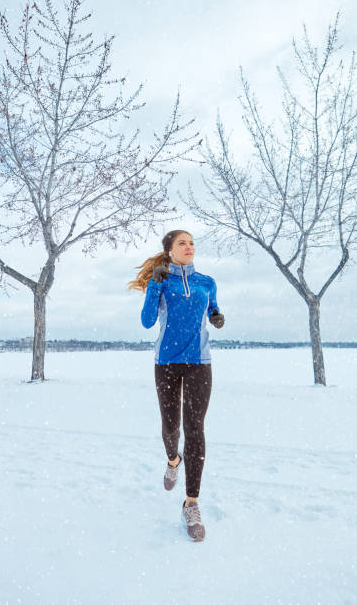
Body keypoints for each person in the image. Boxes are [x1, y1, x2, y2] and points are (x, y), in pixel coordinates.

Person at [129, 229, 225, 541]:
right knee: (171, 428)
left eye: (192, 243)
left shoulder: (205, 282)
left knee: (195, 428)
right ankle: (173, 460)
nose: (189, 247)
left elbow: (211, 306)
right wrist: (155, 285)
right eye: (182, 243)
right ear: (169, 250)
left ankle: (191, 503)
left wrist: (216, 314)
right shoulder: (161, 280)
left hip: (200, 362)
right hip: (167, 362)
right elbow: (146, 321)